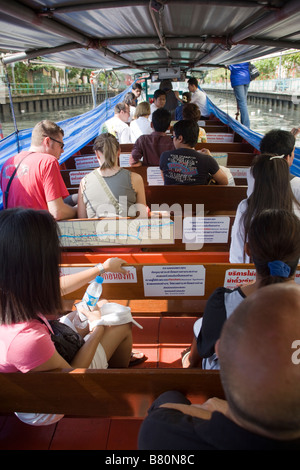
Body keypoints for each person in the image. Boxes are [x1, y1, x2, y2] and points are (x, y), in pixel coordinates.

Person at [0, 208, 134, 426]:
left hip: (35, 370)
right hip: (44, 406)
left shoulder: (10, 292)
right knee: (120, 324)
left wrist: (101, 267)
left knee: (92, 309)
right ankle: (116, 379)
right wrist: (97, 326)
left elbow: (56, 288)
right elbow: (71, 376)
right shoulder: (26, 339)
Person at [138, 282, 300, 450]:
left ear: (220, 350)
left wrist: (217, 411)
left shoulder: (158, 434)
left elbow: (165, 411)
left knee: (168, 397)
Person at [183, 209, 300, 370]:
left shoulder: (223, 303)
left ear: (248, 250)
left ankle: (187, 361)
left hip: (227, 391)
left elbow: (205, 350)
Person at [229, 153, 300, 263]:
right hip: (290, 275)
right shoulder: (296, 209)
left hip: (251, 273)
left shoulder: (247, 207)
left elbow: (237, 251)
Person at [0, 120, 77, 221]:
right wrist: (77, 210)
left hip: (13, 228)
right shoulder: (48, 161)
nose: (62, 150)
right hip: (38, 228)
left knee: (75, 197)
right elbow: (57, 212)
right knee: (80, 200)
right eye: (61, 145)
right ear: (47, 141)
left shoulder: (7, 163)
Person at [77, 133, 147, 218]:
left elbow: (81, 220)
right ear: (119, 152)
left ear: (97, 154)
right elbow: (142, 217)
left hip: (95, 231)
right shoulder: (135, 179)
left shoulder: (84, 182)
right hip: (124, 230)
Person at [160, 119, 228, 186]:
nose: (172, 140)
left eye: (173, 137)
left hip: (171, 197)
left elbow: (165, 180)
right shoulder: (207, 159)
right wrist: (210, 157)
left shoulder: (164, 156)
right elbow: (224, 182)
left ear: (180, 138)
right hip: (198, 197)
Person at [246, 128, 300, 202]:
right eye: (293, 151)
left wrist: (289, 140)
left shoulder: (252, 173)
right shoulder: (297, 184)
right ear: (287, 158)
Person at [228, 63, 251, 128]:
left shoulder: (233, 60)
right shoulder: (243, 55)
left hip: (237, 79)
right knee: (243, 102)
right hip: (246, 78)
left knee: (242, 103)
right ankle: (245, 124)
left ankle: (246, 126)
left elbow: (229, 66)